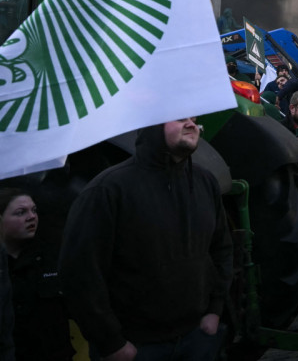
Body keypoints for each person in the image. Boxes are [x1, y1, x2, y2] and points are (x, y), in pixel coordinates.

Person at [60, 119, 233, 361]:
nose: (191, 124)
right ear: (153, 125)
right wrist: (112, 343)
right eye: (180, 117)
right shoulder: (108, 190)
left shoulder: (205, 182)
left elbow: (221, 249)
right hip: (135, 348)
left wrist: (214, 310)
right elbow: (80, 273)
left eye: (194, 119)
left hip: (196, 339)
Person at [0, 190, 73, 360]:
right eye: (21, 212)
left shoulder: (53, 255)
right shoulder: (3, 266)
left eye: (34, 210)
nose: (32, 217)